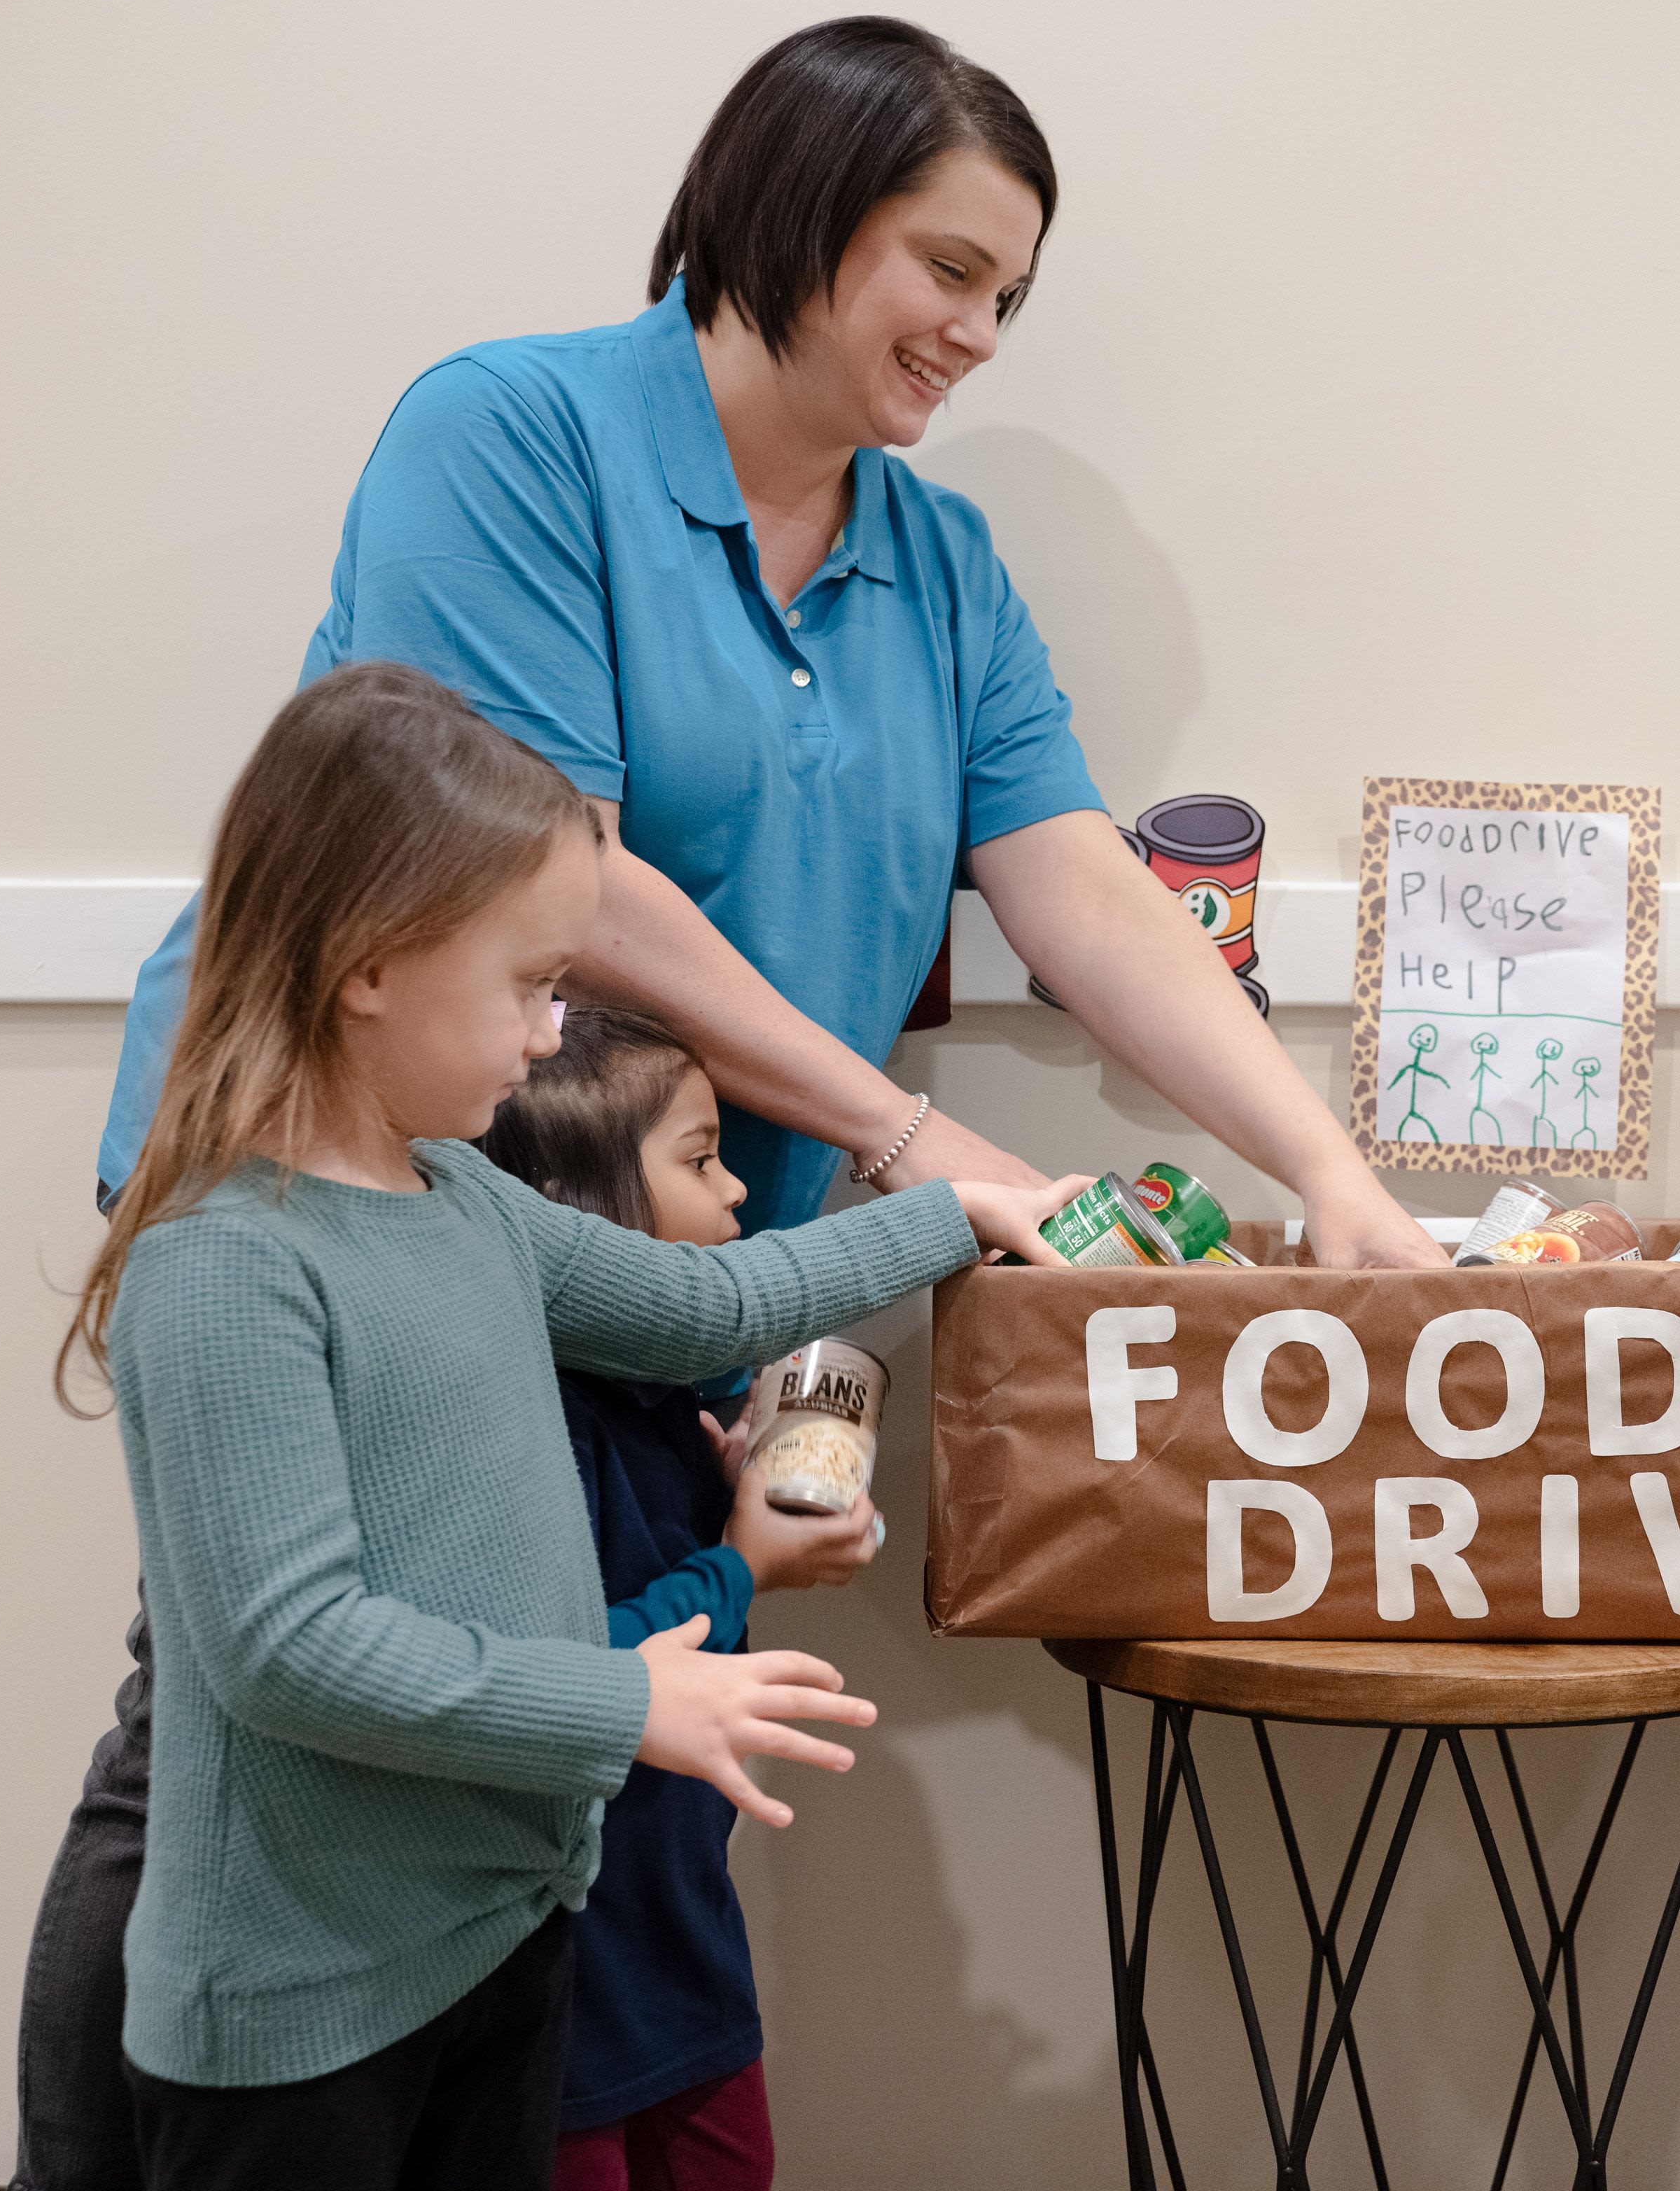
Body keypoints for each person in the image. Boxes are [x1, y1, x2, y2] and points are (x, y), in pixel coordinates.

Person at [19, 15, 1436, 2190]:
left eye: (1006, 296)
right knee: (252, 1744)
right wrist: (897, 1137)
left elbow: (1079, 893)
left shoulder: (935, 562)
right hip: (389, 1205)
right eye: (943, 267)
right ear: (789, 213)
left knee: (567, 1755)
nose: (975, 331)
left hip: (662, 1246)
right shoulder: (514, 434)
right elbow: (550, 875)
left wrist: (1325, 1169)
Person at [69, 662, 1093, 2190]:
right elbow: (292, 1645)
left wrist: (951, 1209)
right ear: (369, 965)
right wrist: (625, 1705)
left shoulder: (464, 1193)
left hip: (494, 1936)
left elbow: (706, 1310)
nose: (552, 1035)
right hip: (302, 2022)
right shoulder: (227, 1261)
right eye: (528, 983)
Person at [476, 1004, 869, 2191]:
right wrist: (740, 1566)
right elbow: (566, 1676)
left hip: (683, 1944)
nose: (738, 1192)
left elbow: (687, 1644)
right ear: (572, 1217)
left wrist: (750, 1527)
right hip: (569, 1980)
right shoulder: (533, 1426)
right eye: (699, 1160)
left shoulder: (657, 1407)